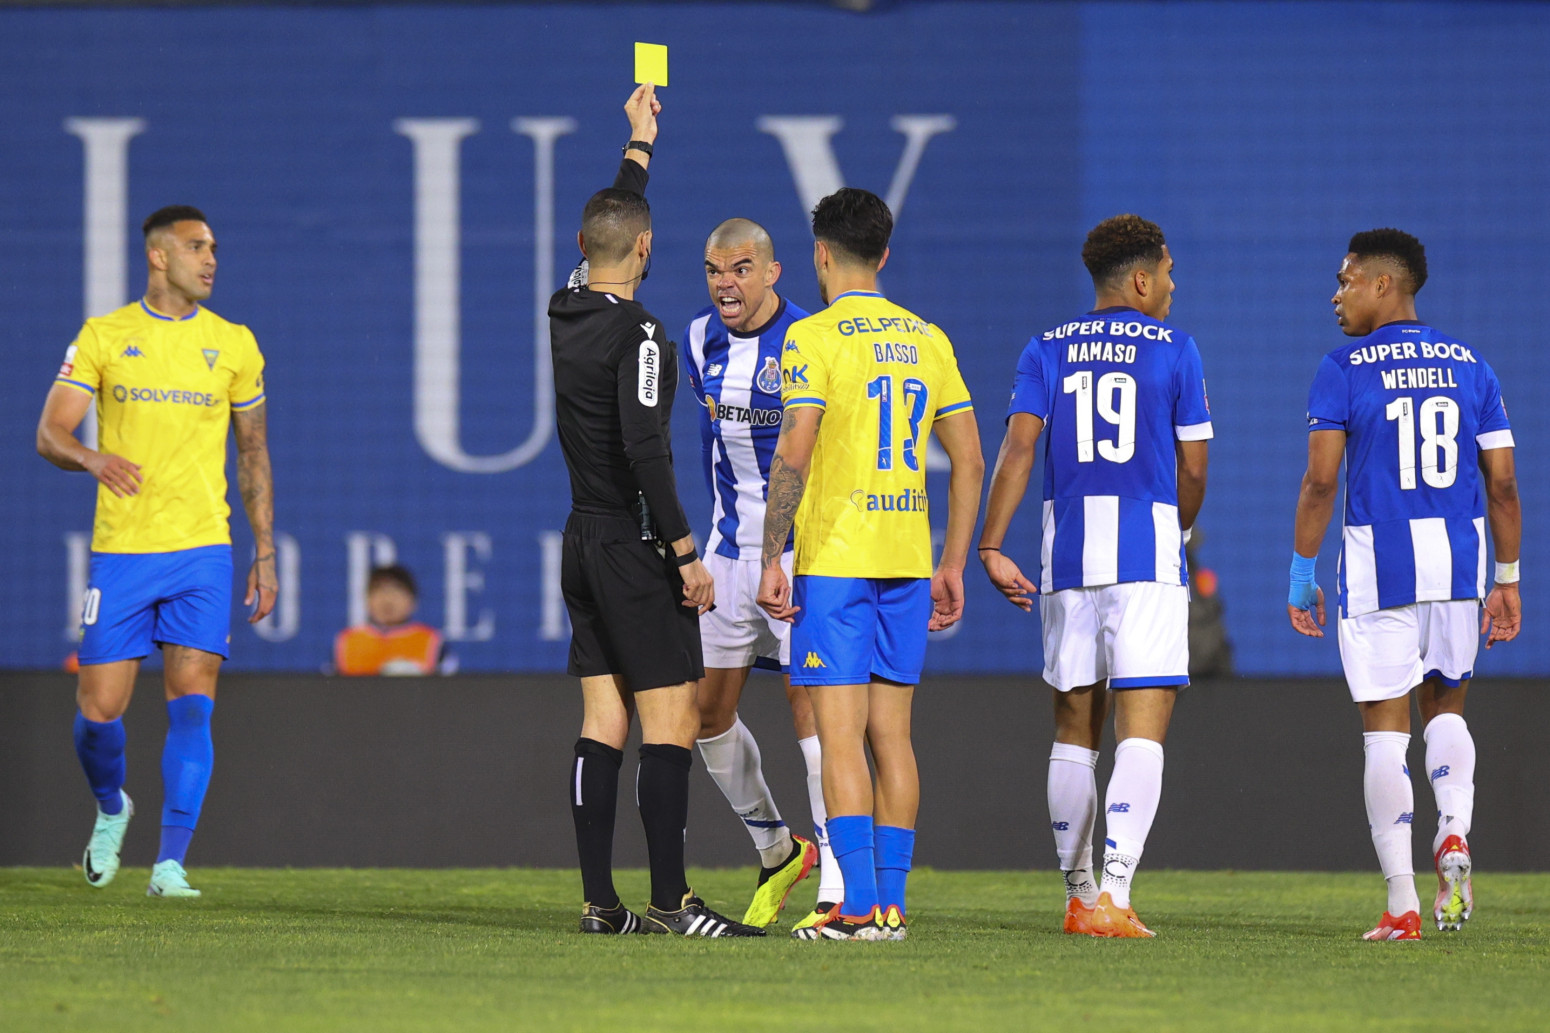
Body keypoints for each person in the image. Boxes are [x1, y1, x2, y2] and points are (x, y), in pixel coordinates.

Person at [548, 84, 761, 938]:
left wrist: (637, 146)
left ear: (582, 248)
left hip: (580, 537)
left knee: (604, 717)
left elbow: (610, 223)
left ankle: (602, 904)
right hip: (635, 545)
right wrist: (684, 553)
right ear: (646, 248)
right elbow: (646, 449)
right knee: (669, 720)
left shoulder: (565, 305)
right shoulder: (638, 332)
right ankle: (672, 902)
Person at [758, 187, 983, 941]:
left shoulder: (811, 338)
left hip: (837, 562)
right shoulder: (928, 337)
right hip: (907, 560)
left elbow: (795, 451)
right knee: (893, 736)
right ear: (883, 254)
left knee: (841, 736)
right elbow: (970, 460)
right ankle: (889, 905)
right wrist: (952, 562)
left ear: (820, 253)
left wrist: (771, 555)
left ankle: (854, 907)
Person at [977, 214, 1211, 939]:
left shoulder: (1046, 347)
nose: (1171, 285)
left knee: (1075, 728)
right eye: (1166, 272)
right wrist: (1178, 532)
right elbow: (1194, 466)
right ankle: (1115, 891)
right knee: (1143, 723)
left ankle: (1079, 897)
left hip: (1070, 557)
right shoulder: (1176, 348)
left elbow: (1019, 449)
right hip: (1145, 558)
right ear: (1140, 279)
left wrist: (991, 543)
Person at [36, 204, 276, 899]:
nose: (211, 259)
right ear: (158, 255)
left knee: (193, 703)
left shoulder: (234, 343)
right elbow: (51, 433)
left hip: (203, 549)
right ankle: (112, 806)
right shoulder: (105, 335)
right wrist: (92, 457)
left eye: (214, 247)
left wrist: (264, 551)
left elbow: (253, 453)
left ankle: (170, 864)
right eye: (197, 246)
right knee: (99, 711)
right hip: (124, 551)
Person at [1288, 228, 1520, 941]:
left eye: (1346, 280)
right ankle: (1454, 830)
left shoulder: (1343, 367)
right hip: (1456, 568)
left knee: (1385, 734)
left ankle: (1403, 905)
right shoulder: (1472, 366)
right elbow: (1503, 485)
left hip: (1377, 568)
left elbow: (1321, 480)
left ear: (1383, 283)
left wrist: (1301, 571)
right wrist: (1507, 578)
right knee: (1446, 706)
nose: (1337, 295)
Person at [683, 218, 837, 931]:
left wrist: (789, 552)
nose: (726, 284)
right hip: (726, 557)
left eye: (741, 269)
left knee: (815, 714)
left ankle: (837, 883)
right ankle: (779, 848)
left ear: (774, 272)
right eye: (715, 270)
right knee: (705, 715)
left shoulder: (810, 339)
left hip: (803, 558)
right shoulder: (696, 341)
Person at [333, 565, 449, 676]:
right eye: (379, 590)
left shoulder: (431, 641)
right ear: (367, 599)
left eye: (397, 591)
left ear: (413, 601)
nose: (388, 599)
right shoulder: (348, 641)